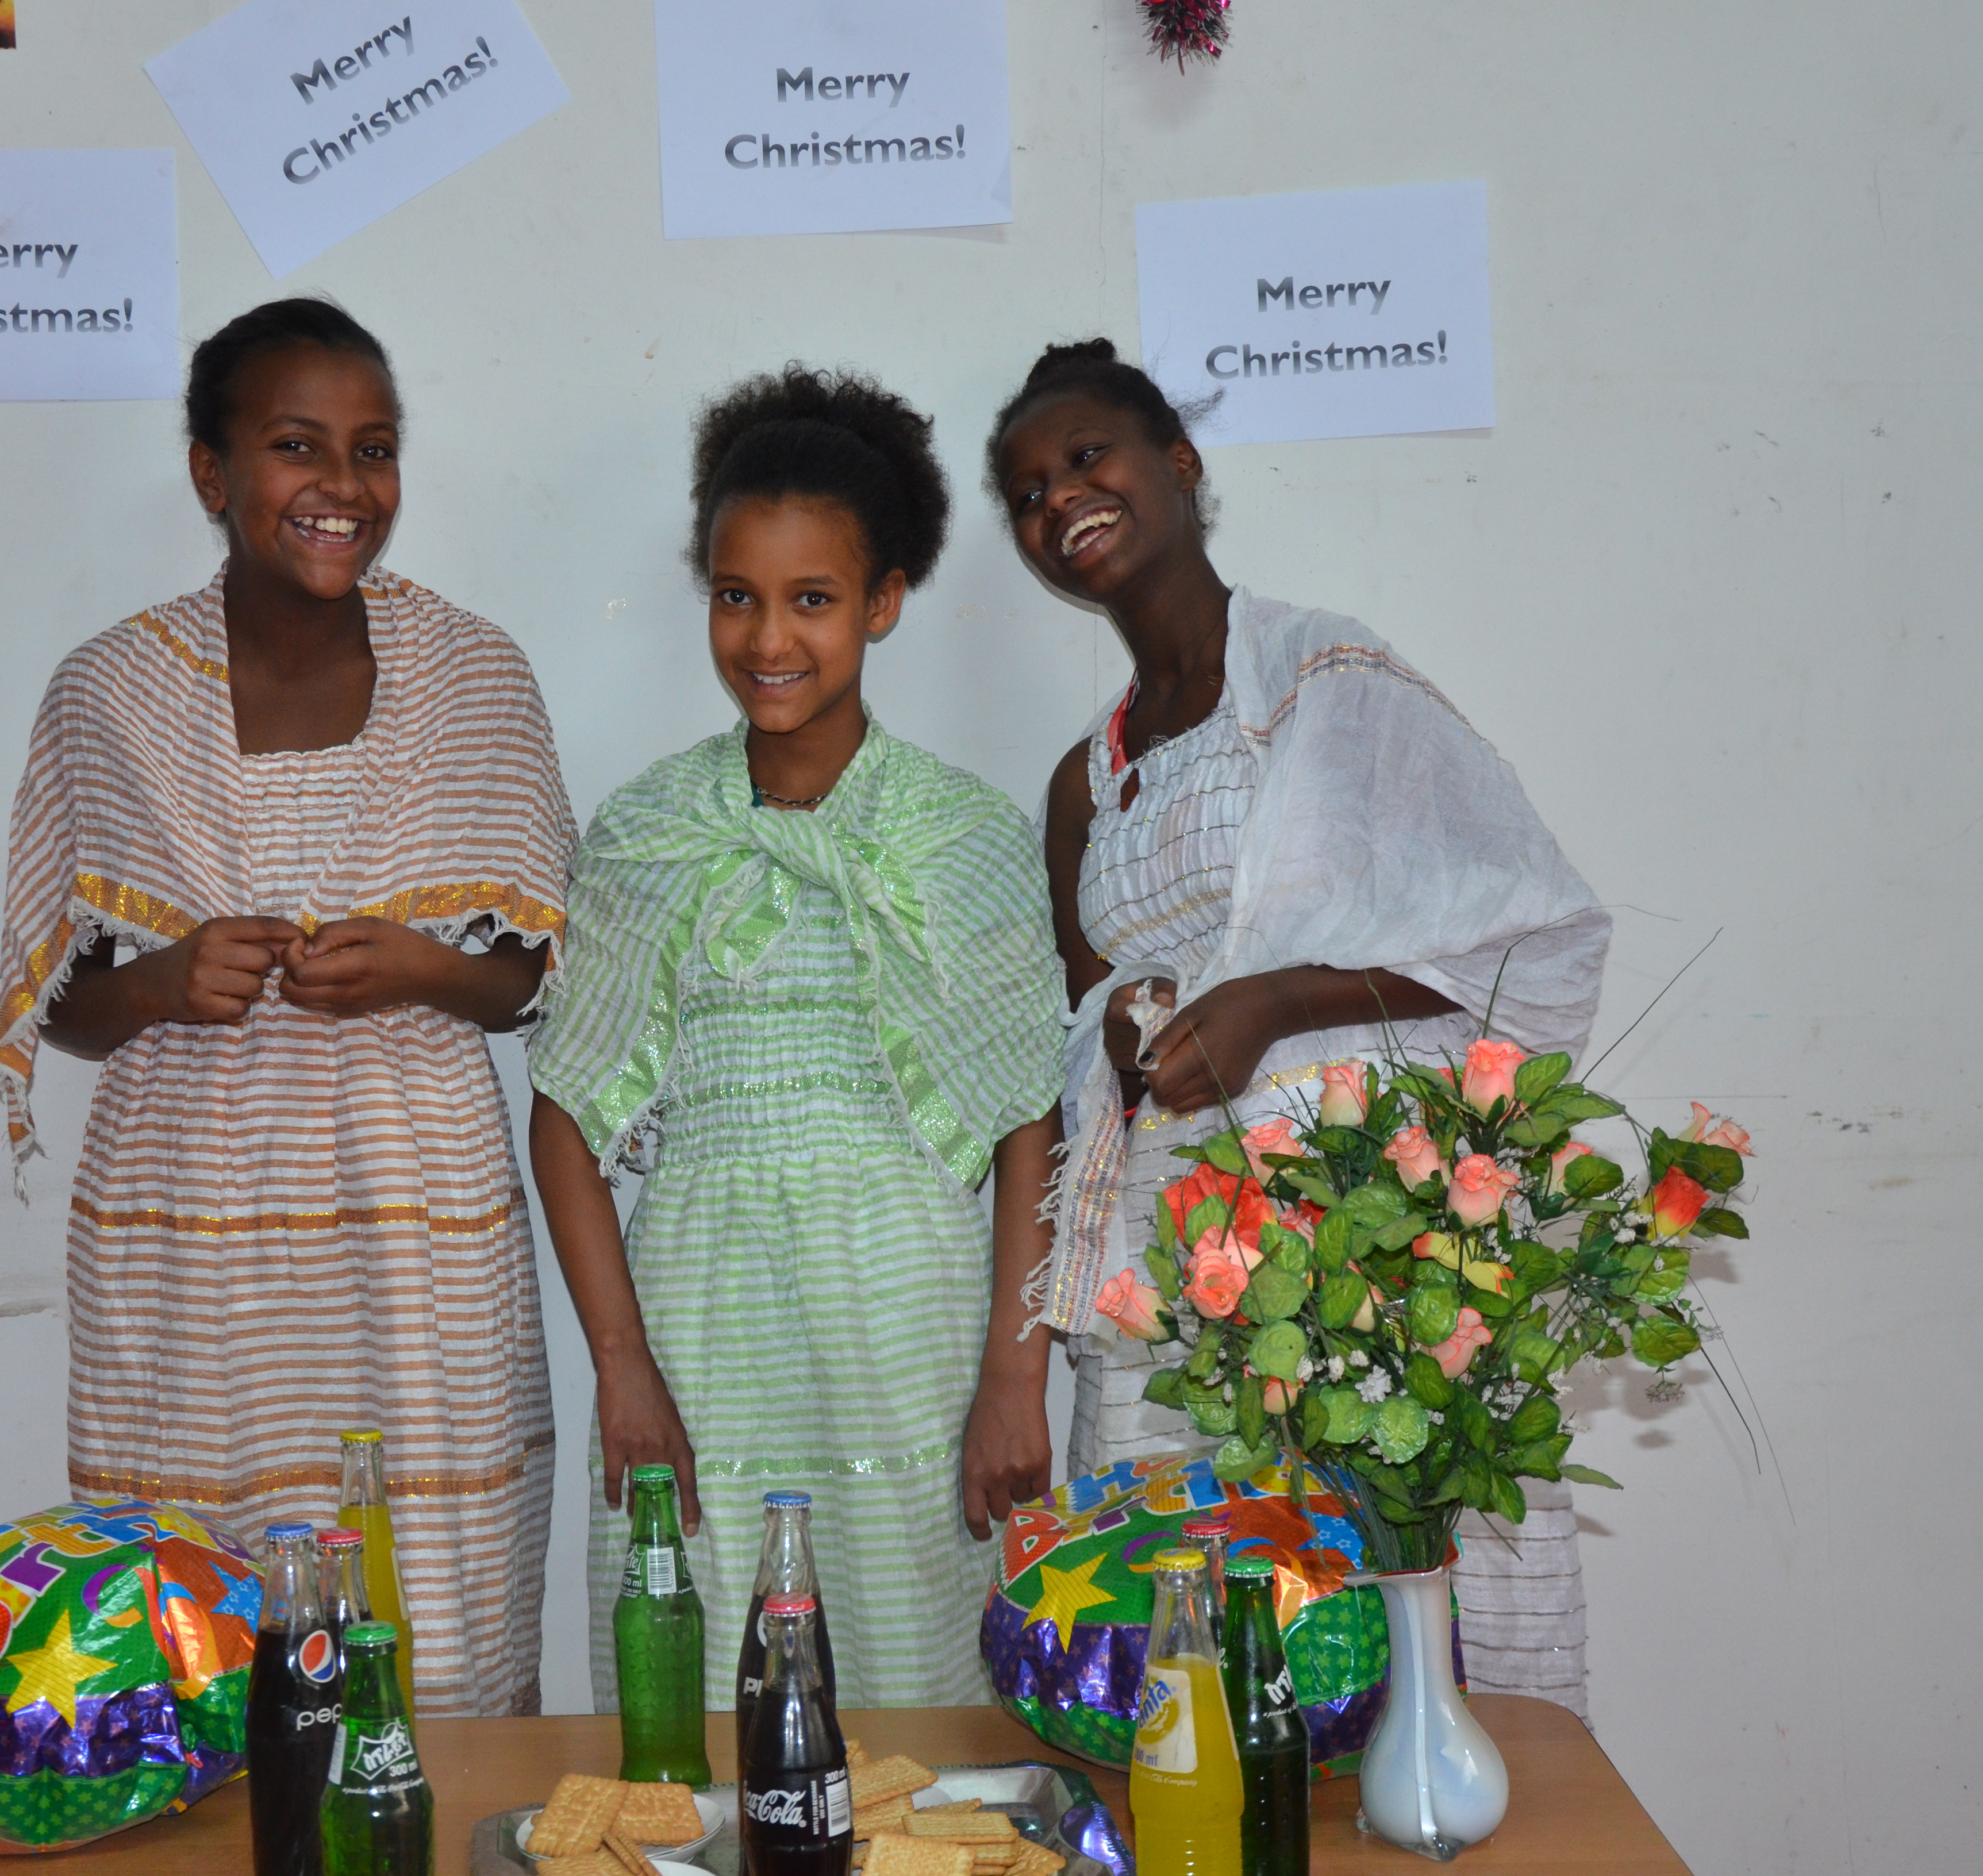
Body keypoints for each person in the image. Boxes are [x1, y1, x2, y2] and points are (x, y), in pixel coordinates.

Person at [987, 340, 1607, 1715]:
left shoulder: (1324, 683)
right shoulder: (1081, 781)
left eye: (1088, 457)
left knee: (1380, 1590)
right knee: (1184, 1612)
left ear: (1180, 463)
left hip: (1353, 1229)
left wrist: (1278, 1000)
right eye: (1029, 490)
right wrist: (1132, 1011)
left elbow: (1509, 945)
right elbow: (1091, 1000)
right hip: (1169, 1255)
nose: (1061, 499)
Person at [0, 298, 574, 1717]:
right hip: (191, 1232)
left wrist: (420, 965)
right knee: (194, 1604)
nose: (345, 488)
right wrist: (171, 983)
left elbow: (536, 975)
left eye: (374, 449)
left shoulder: (474, 672)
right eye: (296, 445)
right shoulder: (109, 690)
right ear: (210, 472)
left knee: (436, 1591)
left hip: (417, 1211)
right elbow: (59, 1004)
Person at [528, 367, 1067, 1709]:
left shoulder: (964, 832)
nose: (770, 638)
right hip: (701, 1327)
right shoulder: (648, 831)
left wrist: (1015, 1373)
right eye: (736, 596)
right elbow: (565, 1118)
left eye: (812, 600)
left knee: (917, 1698)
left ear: (882, 603)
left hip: (914, 1324)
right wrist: (622, 1367)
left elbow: (1025, 1121)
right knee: (707, 1696)